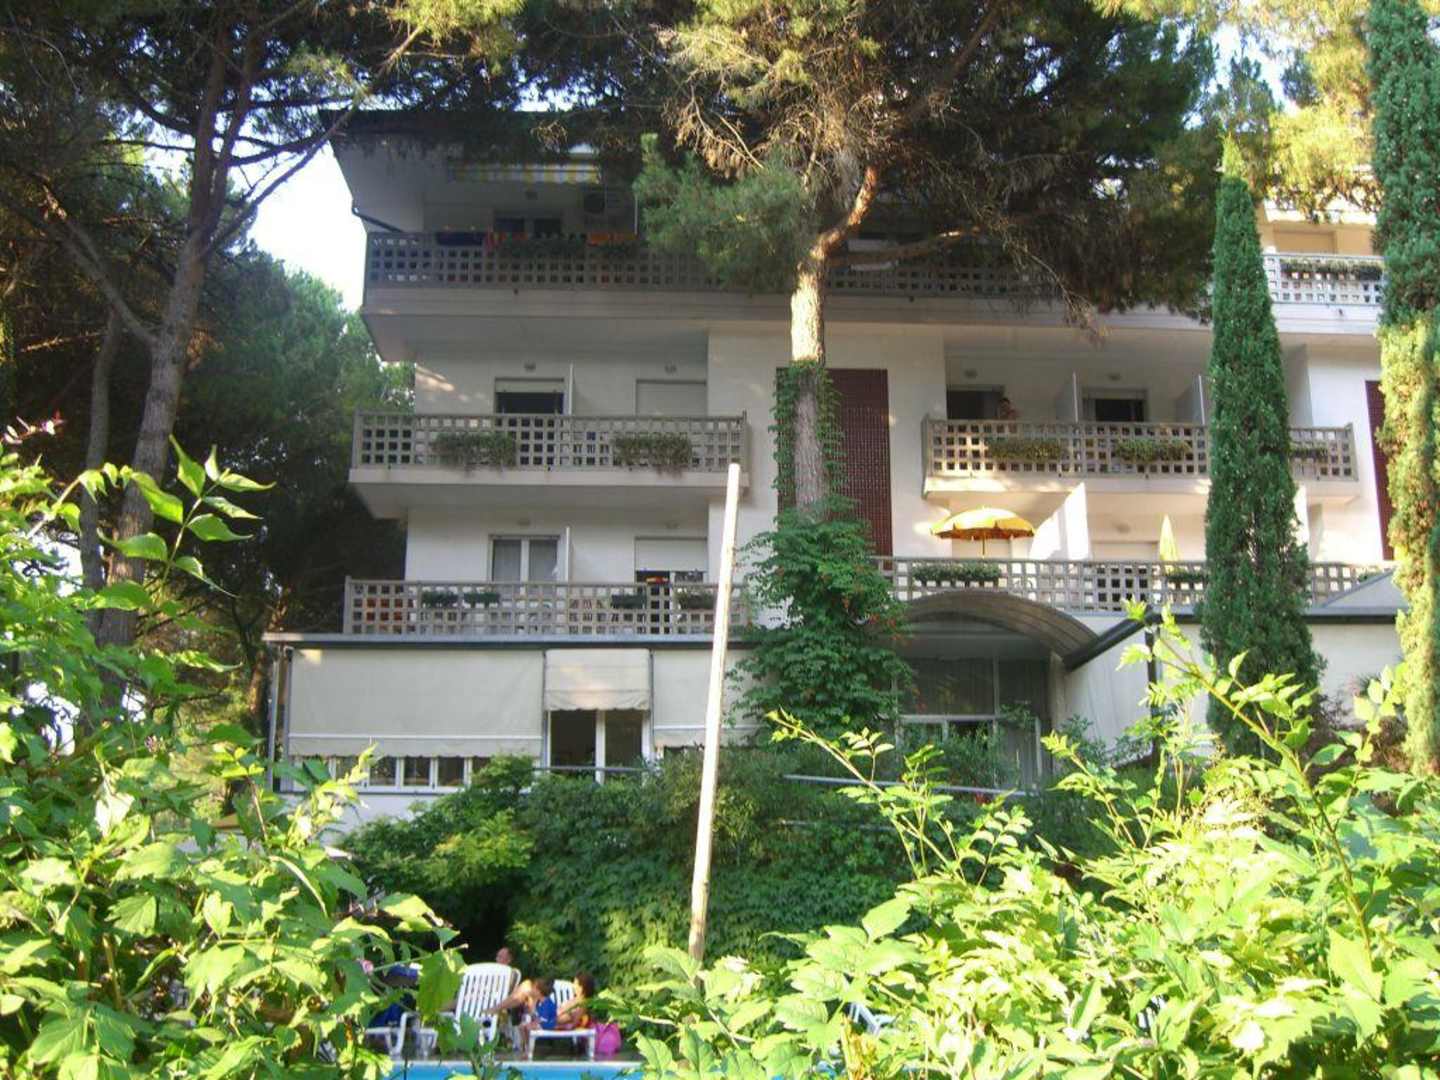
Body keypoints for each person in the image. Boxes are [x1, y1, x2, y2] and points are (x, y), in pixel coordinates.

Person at [518, 977, 557, 1054]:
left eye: (534, 988)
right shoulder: (539, 1002)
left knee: (528, 1027)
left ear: (539, 992)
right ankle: (526, 1047)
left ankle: (529, 1050)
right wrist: (533, 1001)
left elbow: (542, 1019)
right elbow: (533, 1014)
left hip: (548, 1025)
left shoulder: (547, 1004)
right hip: (540, 1023)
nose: (532, 990)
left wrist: (531, 1023)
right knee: (521, 1026)